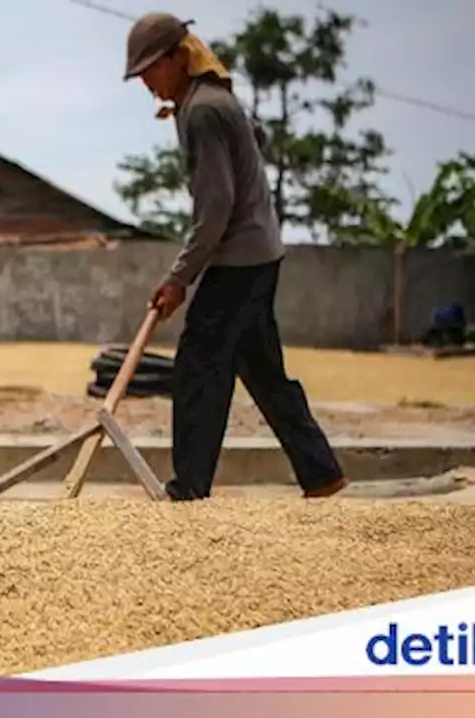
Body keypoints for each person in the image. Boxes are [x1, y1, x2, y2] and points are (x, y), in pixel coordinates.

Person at [123, 12, 348, 500]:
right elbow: (250, 155)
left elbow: (217, 206)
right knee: (262, 370)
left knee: (199, 366)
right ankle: (321, 472)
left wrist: (180, 278)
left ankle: (189, 487)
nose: (145, 83)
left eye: (150, 70)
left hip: (240, 258)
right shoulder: (208, 103)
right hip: (260, 253)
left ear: (178, 59)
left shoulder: (204, 109)